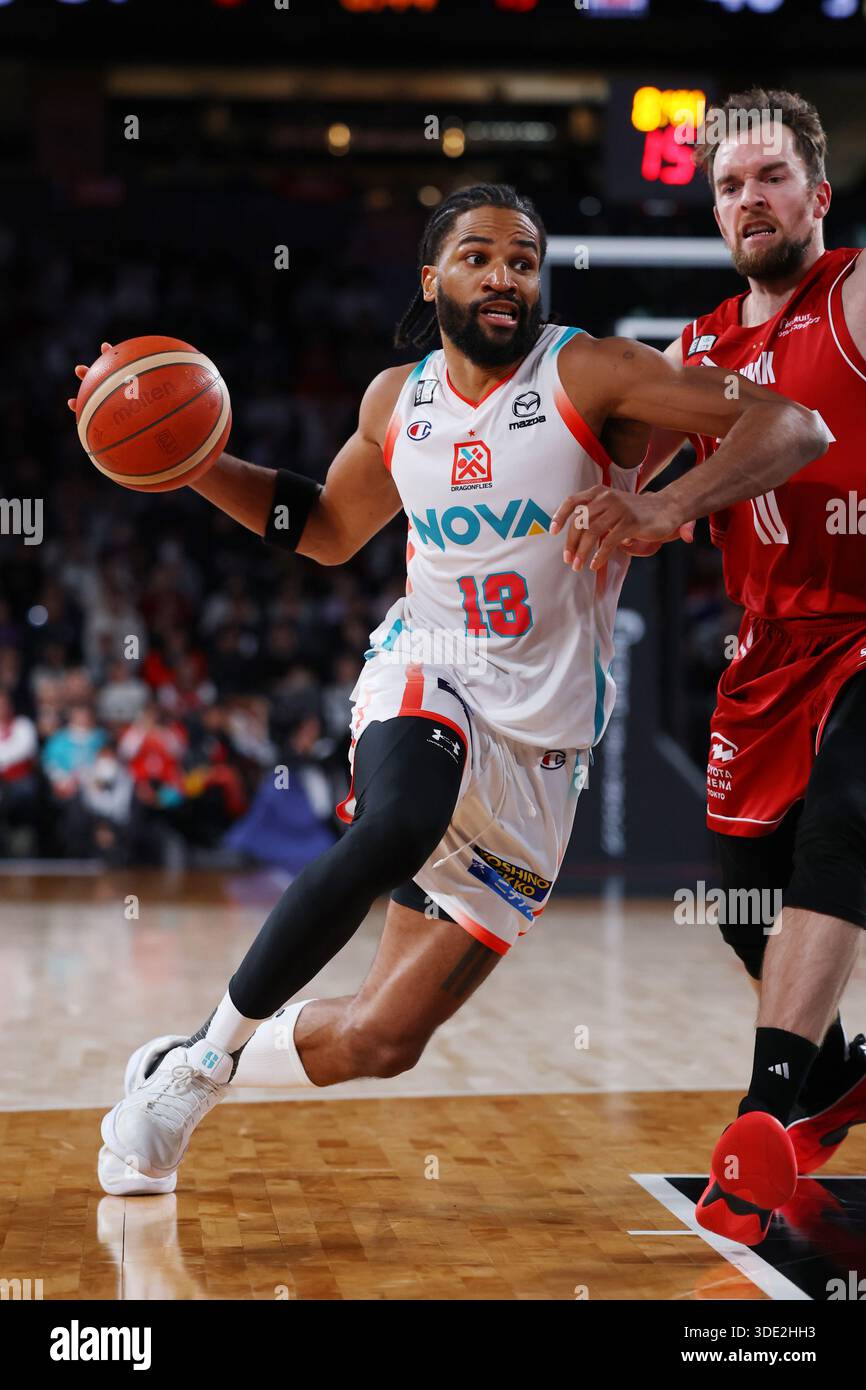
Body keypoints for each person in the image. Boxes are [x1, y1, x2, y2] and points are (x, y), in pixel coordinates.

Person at [68, 183, 827, 1196]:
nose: (504, 275)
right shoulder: (396, 400)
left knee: (382, 1042)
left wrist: (665, 506)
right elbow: (330, 528)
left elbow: (792, 424)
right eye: (478, 256)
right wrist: (194, 461)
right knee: (400, 817)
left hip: (542, 749)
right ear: (433, 280)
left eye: (522, 258)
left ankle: (184, 1050)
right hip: (428, 668)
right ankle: (199, 1075)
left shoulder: (595, 370)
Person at [631, 90, 866, 1244]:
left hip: (865, 628)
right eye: (727, 186)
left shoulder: (855, 296)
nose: (748, 199)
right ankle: (831, 1077)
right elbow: (606, 472)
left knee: (845, 824)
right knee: (739, 899)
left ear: (815, 197)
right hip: (767, 650)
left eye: (769, 176)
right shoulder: (695, 351)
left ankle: (758, 1114)